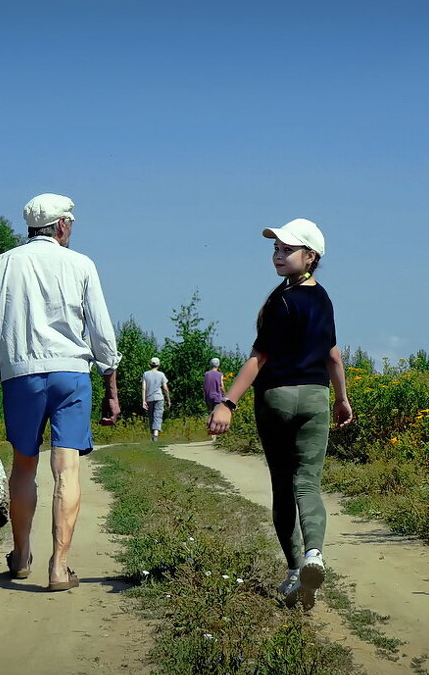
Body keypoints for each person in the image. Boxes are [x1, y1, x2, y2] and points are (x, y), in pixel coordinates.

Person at [0, 193, 121, 592]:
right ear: (62, 225)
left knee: (24, 465)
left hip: (21, 376)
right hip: (71, 374)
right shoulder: (81, 264)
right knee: (67, 469)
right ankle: (59, 568)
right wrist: (111, 385)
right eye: (71, 224)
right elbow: (101, 330)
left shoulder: (4, 263)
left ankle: (21, 555)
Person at [207, 218, 352, 610]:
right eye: (276, 249)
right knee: (309, 483)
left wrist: (228, 402)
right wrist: (341, 398)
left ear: (311, 256)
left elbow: (259, 359)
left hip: (276, 398)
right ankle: (315, 555)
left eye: (288, 249)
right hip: (315, 398)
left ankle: (293, 571)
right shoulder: (323, 298)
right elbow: (333, 355)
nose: (278, 255)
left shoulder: (281, 301)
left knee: (284, 485)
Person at [141, 357, 171, 442]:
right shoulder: (161, 374)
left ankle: (153, 435)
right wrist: (168, 399)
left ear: (150, 364)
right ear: (159, 364)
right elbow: (165, 388)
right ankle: (155, 434)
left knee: (151, 416)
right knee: (157, 415)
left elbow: (143, 387)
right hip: (159, 398)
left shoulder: (146, 374)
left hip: (149, 398)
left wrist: (143, 400)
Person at [203, 357, 226, 442]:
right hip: (217, 397)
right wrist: (225, 394)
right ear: (218, 365)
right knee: (216, 415)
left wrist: (205, 396)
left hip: (208, 397)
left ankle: (212, 432)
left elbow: (204, 387)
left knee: (211, 413)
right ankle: (214, 435)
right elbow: (221, 386)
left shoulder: (206, 374)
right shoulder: (220, 374)